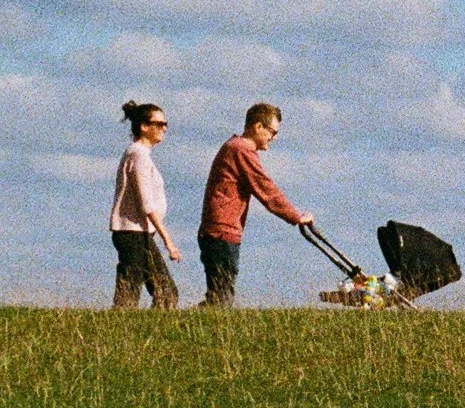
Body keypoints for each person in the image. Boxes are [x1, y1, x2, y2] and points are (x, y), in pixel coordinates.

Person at [196, 101, 316, 307]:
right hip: (221, 233)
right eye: (272, 132)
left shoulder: (234, 147)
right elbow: (265, 188)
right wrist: (295, 216)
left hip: (221, 232)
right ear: (258, 126)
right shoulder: (241, 149)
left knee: (219, 296)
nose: (274, 138)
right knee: (221, 299)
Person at [110, 101, 181, 309]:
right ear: (144, 126)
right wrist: (168, 241)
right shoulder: (137, 155)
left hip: (138, 234)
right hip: (133, 234)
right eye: (159, 124)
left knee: (163, 293)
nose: (164, 128)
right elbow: (147, 205)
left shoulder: (140, 155)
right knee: (142, 294)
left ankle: (149, 335)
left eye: (165, 123)